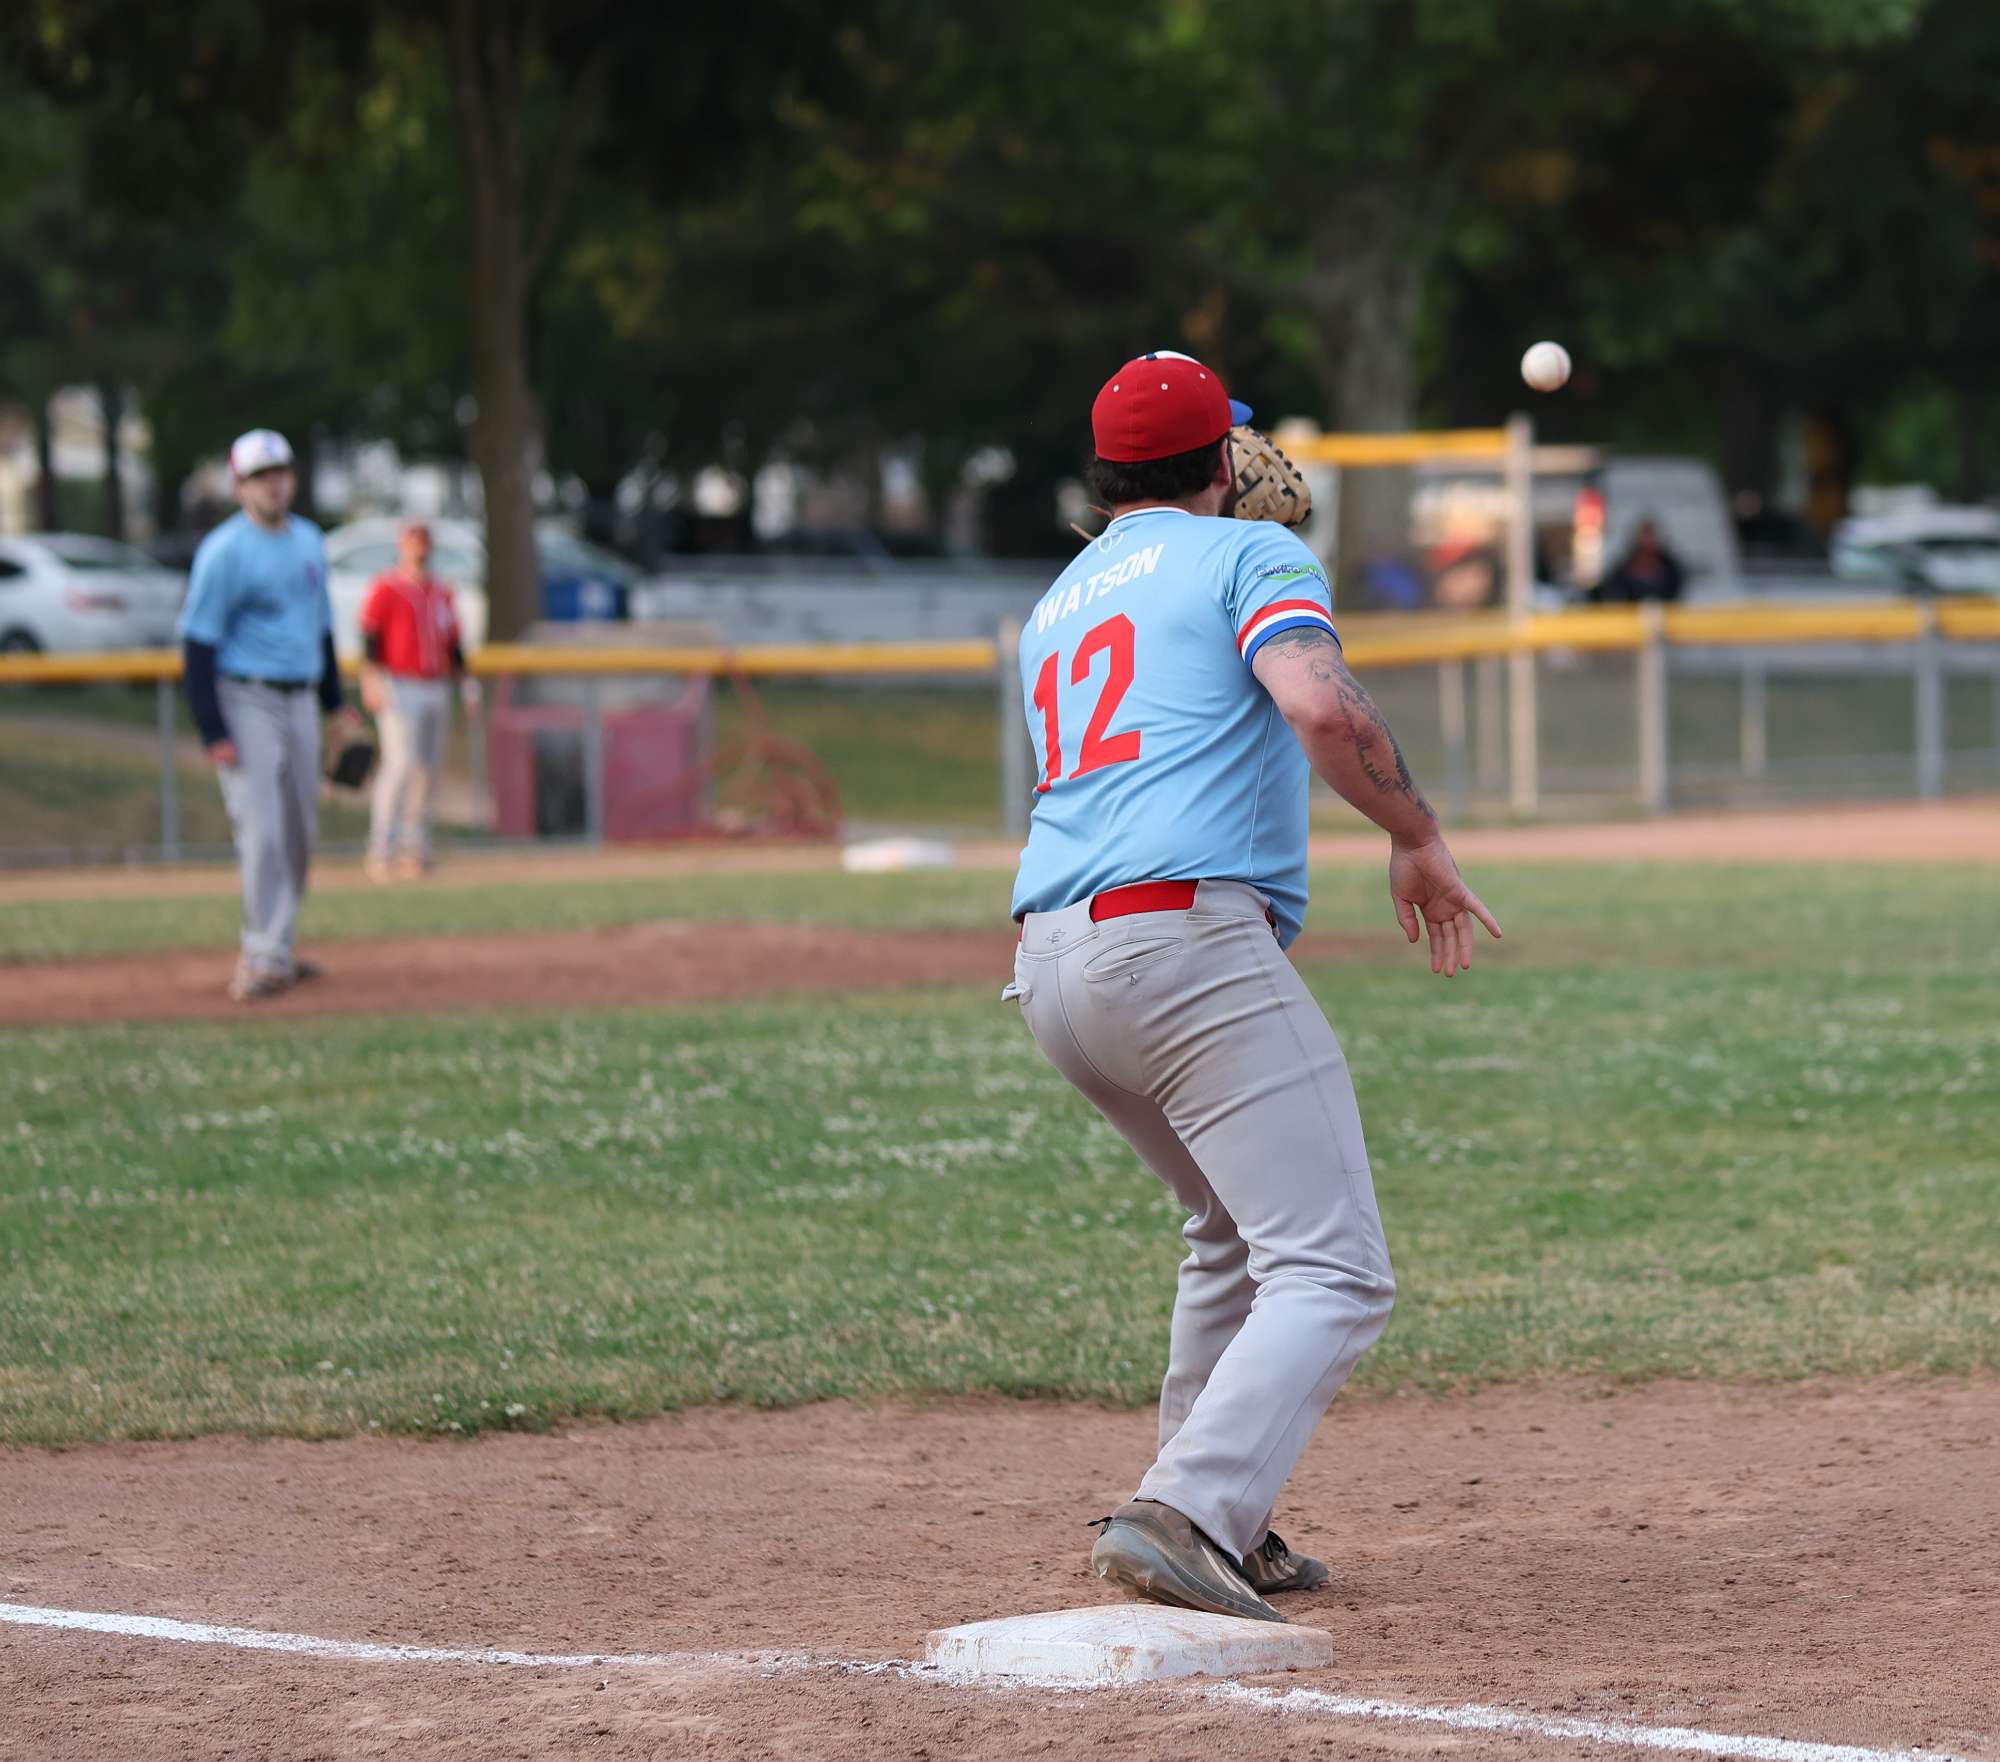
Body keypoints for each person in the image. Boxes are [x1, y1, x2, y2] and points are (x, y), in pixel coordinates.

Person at [1007, 351, 1501, 1623]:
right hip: (1179, 945)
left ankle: (1214, 1508)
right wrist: (1414, 834)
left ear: (1104, 477)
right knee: (1334, 1271)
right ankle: (1184, 1513)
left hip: (1052, 963)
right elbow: (1319, 710)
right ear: (1220, 463)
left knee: (1230, 1230)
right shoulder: (1250, 554)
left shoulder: (1057, 600)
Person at [179, 428, 365, 1001]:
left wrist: (335, 705)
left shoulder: (309, 541)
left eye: (280, 472)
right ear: (239, 486)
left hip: (301, 694)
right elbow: (198, 643)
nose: (273, 484)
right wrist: (213, 729)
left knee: (301, 830)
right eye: (259, 476)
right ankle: (261, 957)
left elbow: (321, 628)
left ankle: (278, 944)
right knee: (261, 829)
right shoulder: (224, 552)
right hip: (246, 697)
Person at [357, 521, 477, 881]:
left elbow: (454, 645)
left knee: (429, 770)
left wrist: (467, 687)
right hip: (399, 684)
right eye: (413, 541)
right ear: (401, 546)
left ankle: (415, 848)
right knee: (400, 765)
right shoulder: (386, 586)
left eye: (424, 542)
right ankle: (382, 848)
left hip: (437, 684)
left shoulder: (442, 590)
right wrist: (371, 680)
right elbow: (369, 638)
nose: (419, 548)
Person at [1597, 517, 1685, 603]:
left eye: (1650, 536)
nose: (1647, 542)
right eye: (1644, 536)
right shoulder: (1623, 568)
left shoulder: (1672, 568)